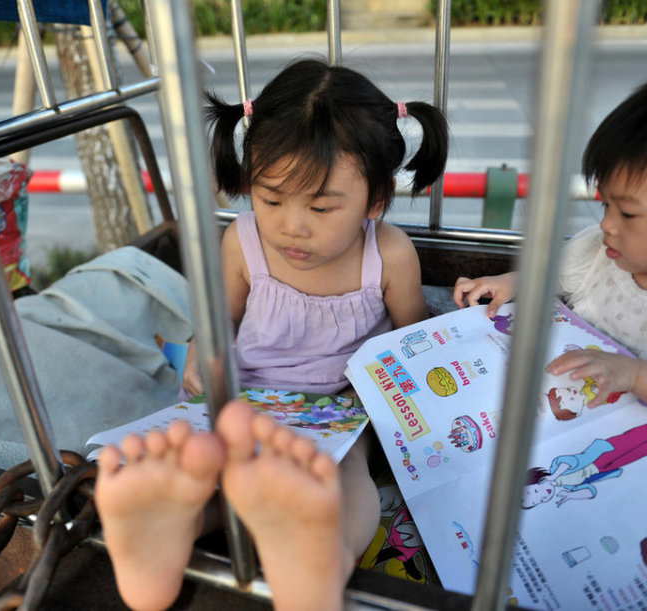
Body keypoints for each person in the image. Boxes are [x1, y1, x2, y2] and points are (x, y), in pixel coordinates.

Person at [181, 58, 448, 568]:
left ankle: (327, 564)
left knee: (345, 475)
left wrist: (373, 399)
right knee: (214, 467)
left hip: (343, 408)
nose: (291, 227)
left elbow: (410, 345)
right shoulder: (241, 242)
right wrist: (203, 348)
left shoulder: (388, 255)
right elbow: (219, 319)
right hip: (250, 394)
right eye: (271, 199)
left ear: (376, 200)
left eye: (321, 208)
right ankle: (171, 531)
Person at [453, 63, 647, 491]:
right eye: (605, 207)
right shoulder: (602, 252)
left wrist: (636, 376)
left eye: (628, 212)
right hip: (574, 435)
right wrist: (510, 282)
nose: (607, 225)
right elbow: (549, 276)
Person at [95, 400, 350, 611]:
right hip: (250, 398)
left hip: (338, 405)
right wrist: (195, 360)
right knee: (342, 472)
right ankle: (326, 555)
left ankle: (186, 524)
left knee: (342, 461)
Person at [521, 421, 647, 509]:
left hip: (599, 454)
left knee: (628, 441)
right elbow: (590, 491)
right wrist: (571, 496)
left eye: (535, 491)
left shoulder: (555, 466)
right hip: (604, 468)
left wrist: (554, 476)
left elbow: (570, 461)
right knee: (633, 455)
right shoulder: (568, 488)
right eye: (540, 500)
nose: (543, 494)